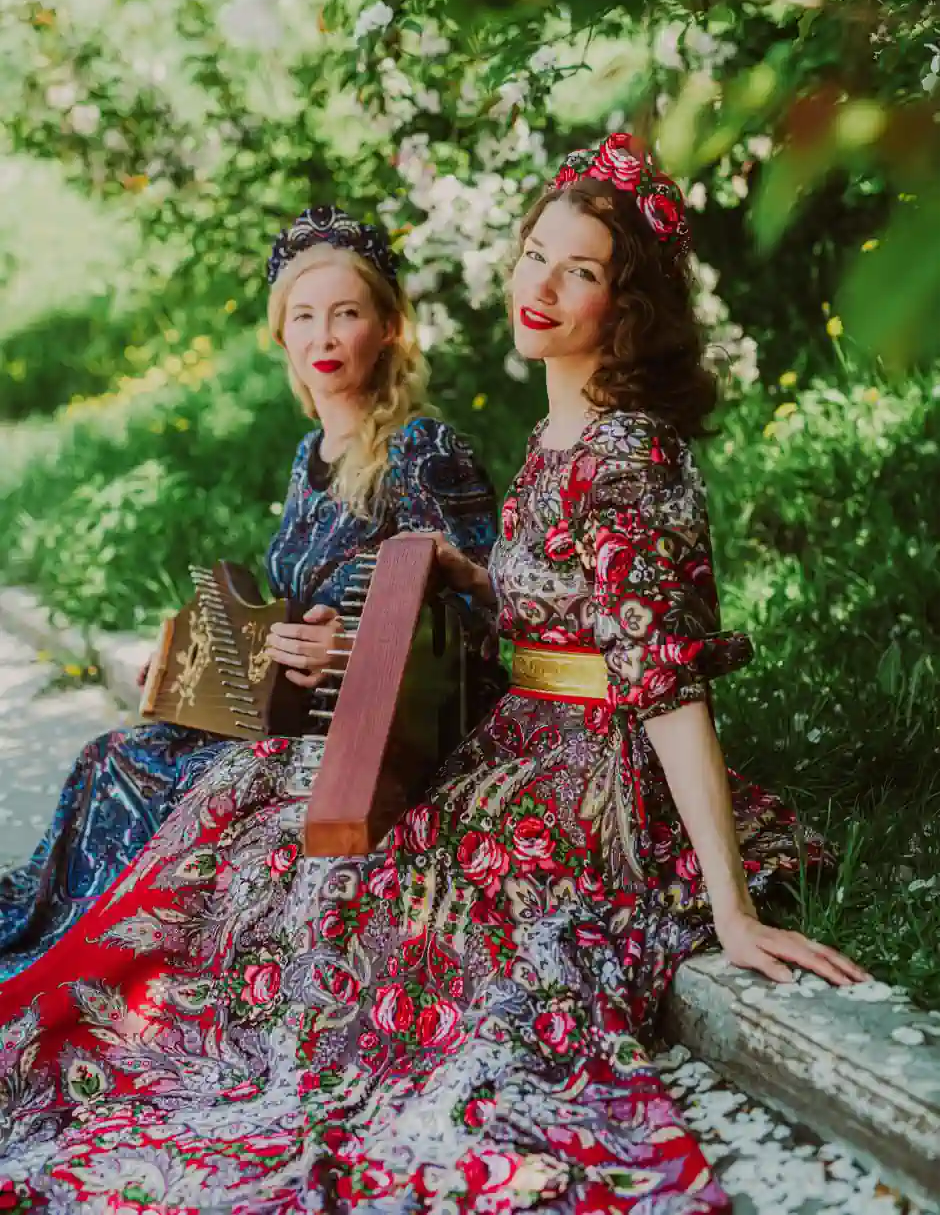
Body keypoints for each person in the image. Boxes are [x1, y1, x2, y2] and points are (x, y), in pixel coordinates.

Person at [0, 138, 867, 1212]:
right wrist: (466, 571)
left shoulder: (630, 455)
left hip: (582, 766)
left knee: (323, 873)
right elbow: (557, 613)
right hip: (523, 734)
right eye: (534, 254)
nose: (540, 286)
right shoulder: (560, 430)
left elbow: (663, 679)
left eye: (582, 272)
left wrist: (728, 910)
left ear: (626, 305)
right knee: (250, 810)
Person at [0, 205, 498, 981]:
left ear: (389, 327)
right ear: (281, 336)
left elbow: (485, 615)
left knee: (153, 776)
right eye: (303, 316)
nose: (323, 337)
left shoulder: (420, 450)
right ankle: (64, 949)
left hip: (373, 744)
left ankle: (100, 969)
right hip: (293, 717)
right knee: (112, 758)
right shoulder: (312, 453)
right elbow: (291, 607)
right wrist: (192, 670)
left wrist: (362, 653)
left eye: (346, 314)